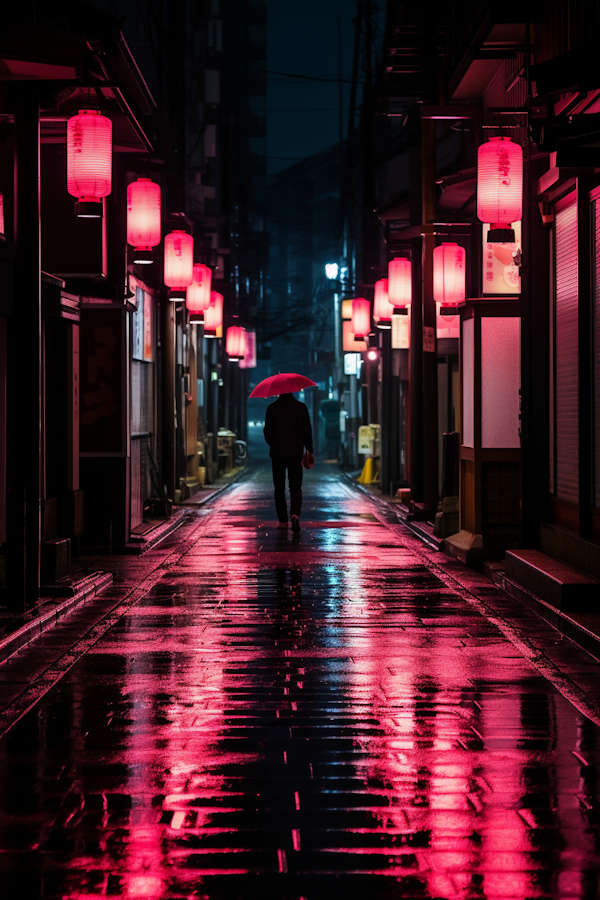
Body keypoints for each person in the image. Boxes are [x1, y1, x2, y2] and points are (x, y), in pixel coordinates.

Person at [263, 392, 314, 532]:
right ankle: (295, 514)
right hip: (296, 453)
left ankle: (283, 519)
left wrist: (274, 443)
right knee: (296, 486)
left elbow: (267, 433)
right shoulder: (301, 407)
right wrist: (309, 450)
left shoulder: (272, 408)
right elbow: (307, 431)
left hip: (277, 454)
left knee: (279, 487)